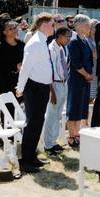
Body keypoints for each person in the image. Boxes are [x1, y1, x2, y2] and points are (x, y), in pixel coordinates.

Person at [16, 13, 56, 172]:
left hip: (42, 87)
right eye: (52, 24)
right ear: (44, 25)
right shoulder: (35, 43)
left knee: (38, 122)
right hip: (34, 88)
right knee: (32, 123)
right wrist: (20, 88)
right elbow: (25, 68)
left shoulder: (42, 41)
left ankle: (32, 156)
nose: (53, 27)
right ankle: (25, 160)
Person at [66, 15, 94, 147]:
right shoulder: (74, 41)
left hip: (86, 79)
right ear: (78, 25)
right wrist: (86, 74)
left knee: (82, 108)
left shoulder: (85, 40)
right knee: (74, 107)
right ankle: (72, 136)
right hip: (77, 79)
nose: (89, 27)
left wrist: (89, 75)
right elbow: (76, 63)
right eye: (87, 24)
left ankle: (78, 134)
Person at [43, 26, 71, 156]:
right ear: (59, 36)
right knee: (51, 115)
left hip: (63, 83)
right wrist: (52, 91)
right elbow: (49, 71)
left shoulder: (62, 48)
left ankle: (53, 142)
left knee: (58, 114)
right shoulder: (50, 49)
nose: (69, 39)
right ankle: (48, 144)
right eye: (67, 36)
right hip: (54, 85)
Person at [0, 17, 23, 100]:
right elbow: (1, 66)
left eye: (15, 28)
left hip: (19, 82)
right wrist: (15, 66)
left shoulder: (21, 44)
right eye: (10, 29)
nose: (14, 30)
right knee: (8, 111)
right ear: (4, 32)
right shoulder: (1, 46)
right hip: (6, 84)